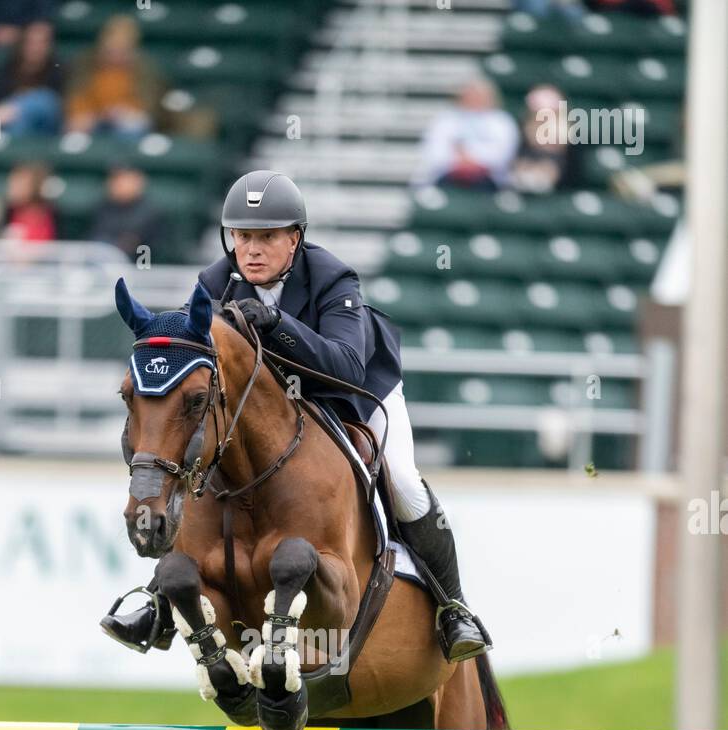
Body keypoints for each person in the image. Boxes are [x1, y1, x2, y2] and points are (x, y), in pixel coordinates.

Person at [110, 170, 489, 664]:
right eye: (243, 237)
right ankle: (161, 598)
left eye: (266, 237)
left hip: (352, 394)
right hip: (268, 412)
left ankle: (452, 606)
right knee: (199, 465)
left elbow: (345, 365)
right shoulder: (214, 284)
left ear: (295, 238)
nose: (252, 250)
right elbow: (191, 358)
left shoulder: (333, 279)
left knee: (402, 479)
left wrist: (280, 325)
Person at [64, 15, 167, 138]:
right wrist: (92, 116)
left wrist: (123, 113)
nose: (116, 54)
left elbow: (149, 109)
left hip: (127, 125)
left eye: (122, 49)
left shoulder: (145, 70)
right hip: (93, 122)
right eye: (112, 48)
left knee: (131, 128)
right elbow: (77, 101)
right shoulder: (86, 65)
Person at [411, 78, 519, 191]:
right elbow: (434, 152)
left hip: (489, 180)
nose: (474, 99)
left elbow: (502, 155)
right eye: (470, 95)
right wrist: (458, 163)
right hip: (447, 177)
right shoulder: (445, 120)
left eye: (479, 95)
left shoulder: (501, 121)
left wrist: (472, 159)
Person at [89, 167, 169, 261]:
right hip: (105, 264)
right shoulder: (101, 208)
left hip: (143, 265)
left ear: (138, 183)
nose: (119, 186)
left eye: (125, 182)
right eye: (116, 181)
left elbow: (145, 247)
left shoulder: (152, 212)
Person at [1, 162, 57, 243]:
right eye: (11, 183)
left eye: (19, 184)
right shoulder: (5, 213)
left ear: (35, 186)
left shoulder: (52, 216)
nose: (12, 189)